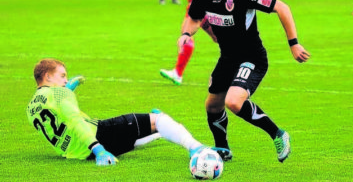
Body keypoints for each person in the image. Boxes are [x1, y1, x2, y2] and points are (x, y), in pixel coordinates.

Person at [178, 0, 310, 163]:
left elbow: (282, 7)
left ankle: (277, 134)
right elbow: (194, 18)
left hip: (252, 58)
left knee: (233, 101)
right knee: (212, 106)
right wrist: (186, 34)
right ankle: (222, 149)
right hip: (227, 58)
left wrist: (294, 44)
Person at [27, 58, 227, 166]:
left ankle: (160, 132)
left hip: (76, 153)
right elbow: (75, 121)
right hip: (99, 136)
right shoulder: (60, 94)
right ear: (47, 76)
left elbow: (57, 117)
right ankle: (197, 148)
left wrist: (69, 88)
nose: (64, 80)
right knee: (157, 119)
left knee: (135, 135)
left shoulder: (32, 107)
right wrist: (99, 149)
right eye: (62, 76)